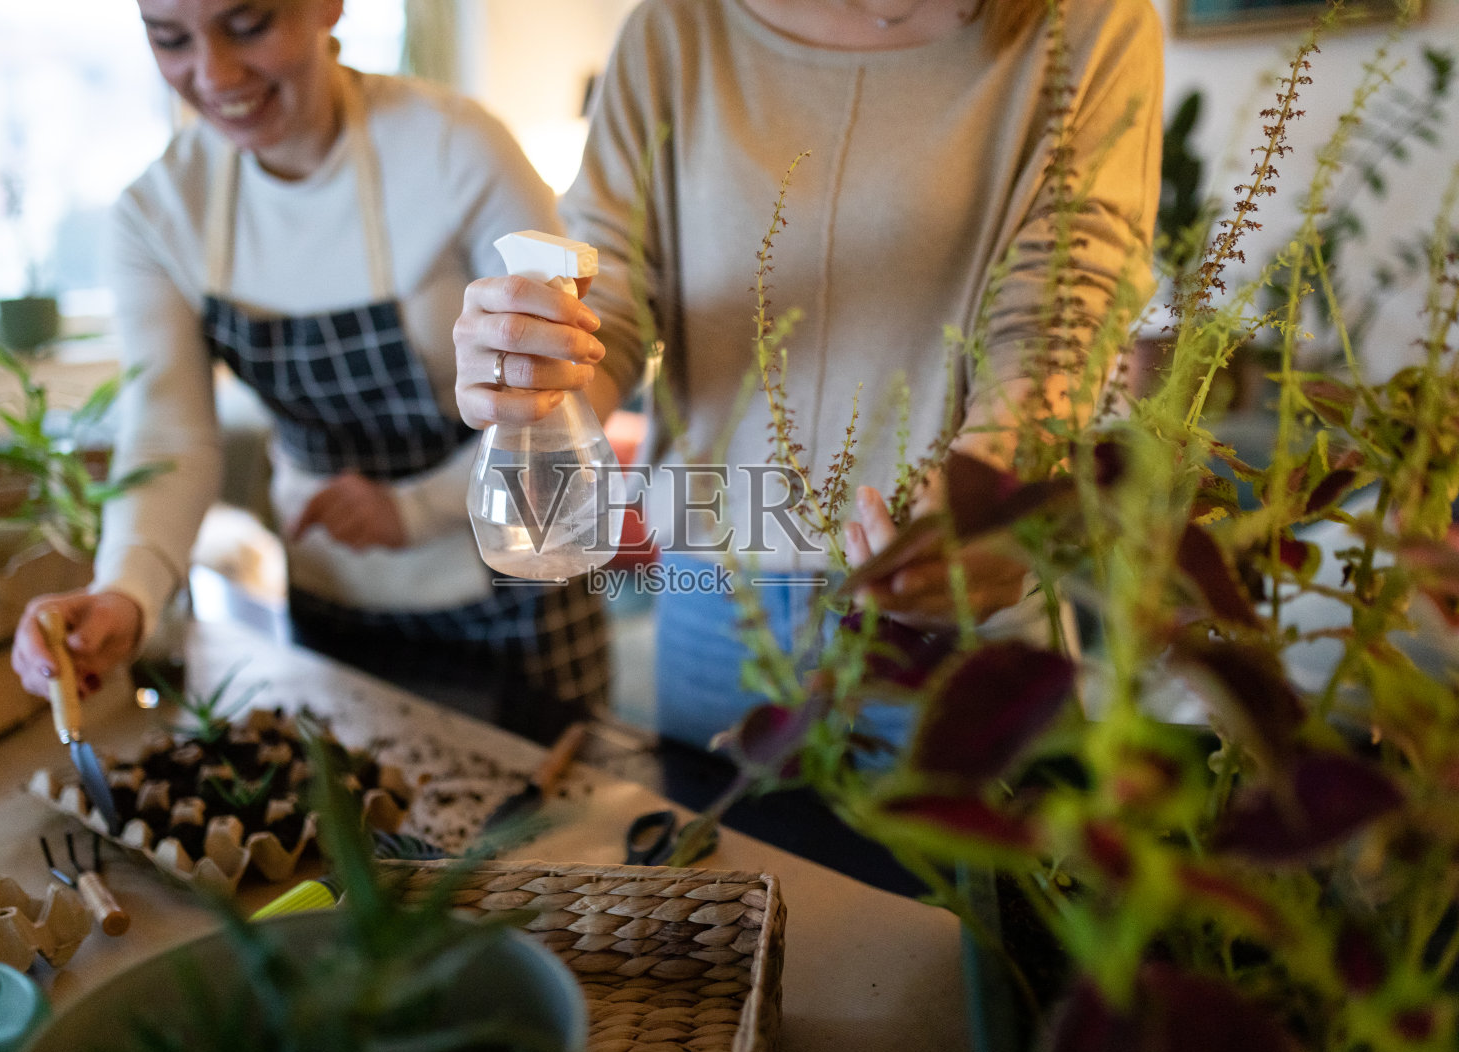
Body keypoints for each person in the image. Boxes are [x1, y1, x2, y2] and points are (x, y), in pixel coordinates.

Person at [452, 0, 1163, 750]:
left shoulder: (1090, 25)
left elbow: (1056, 318)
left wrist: (987, 496)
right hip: (715, 595)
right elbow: (613, 294)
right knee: (724, 863)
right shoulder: (674, 31)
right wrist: (535, 365)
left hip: (956, 603)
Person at [10, 0, 609, 743]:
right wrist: (124, 592)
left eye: (249, 24)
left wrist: (414, 508)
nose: (214, 73)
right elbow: (168, 434)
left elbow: (570, 390)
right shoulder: (160, 213)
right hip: (336, 596)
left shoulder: (455, 148)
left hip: (518, 586)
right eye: (170, 40)